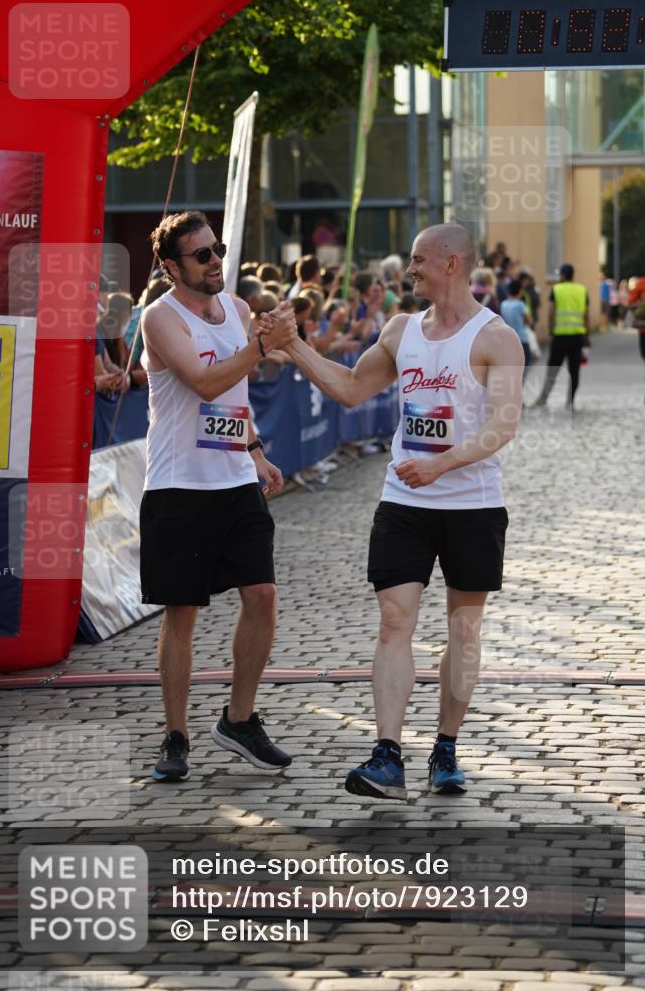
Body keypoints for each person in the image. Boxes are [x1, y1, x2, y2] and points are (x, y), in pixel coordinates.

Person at [265, 224, 523, 799]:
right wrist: (294, 345)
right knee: (394, 620)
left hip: (472, 504)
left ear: (451, 263)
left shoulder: (496, 338)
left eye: (418, 260)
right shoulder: (401, 330)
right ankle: (387, 755)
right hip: (404, 501)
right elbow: (351, 387)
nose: (409, 271)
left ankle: (445, 748)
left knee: (463, 630)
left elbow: (504, 425)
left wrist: (441, 464)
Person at [139, 209, 297, 783]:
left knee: (263, 595)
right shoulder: (160, 318)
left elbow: (233, 396)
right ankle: (175, 735)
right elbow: (205, 382)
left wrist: (255, 451)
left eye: (218, 250)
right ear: (170, 266)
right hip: (179, 484)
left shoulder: (237, 310)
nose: (215, 262)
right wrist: (262, 346)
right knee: (182, 611)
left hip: (234, 480)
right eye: (202, 255)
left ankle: (239, 719)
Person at [533, 263, 590, 410]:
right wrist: (587, 336)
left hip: (560, 336)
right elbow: (586, 315)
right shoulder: (582, 290)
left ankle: (543, 399)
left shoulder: (556, 290)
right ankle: (570, 401)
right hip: (577, 336)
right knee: (574, 371)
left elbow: (551, 312)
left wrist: (551, 330)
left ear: (563, 275)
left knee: (553, 369)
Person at [500, 279, 532, 376]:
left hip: (507, 339)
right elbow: (529, 320)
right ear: (520, 291)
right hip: (522, 338)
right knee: (524, 365)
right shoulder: (521, 304)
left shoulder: (503, 304)